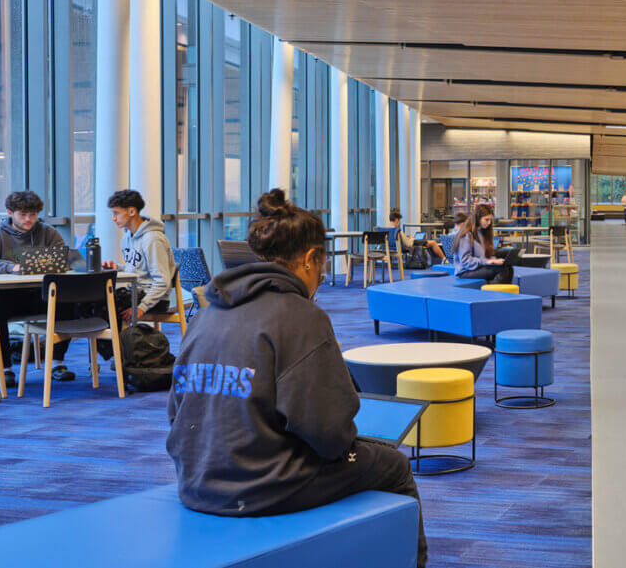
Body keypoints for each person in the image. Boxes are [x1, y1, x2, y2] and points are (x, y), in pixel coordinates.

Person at [167, 189, 427, 567]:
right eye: (320, 269)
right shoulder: (302, 316)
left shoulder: (208, 312)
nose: (319, 278)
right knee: (393, 465)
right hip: (258, 488)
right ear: (309, 259)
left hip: (194, 480)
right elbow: (330, 434)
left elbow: (176, 412)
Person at [0, 190, 75, 386]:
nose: (29, 219)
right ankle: (5, 368)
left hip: (37, 295)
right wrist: (11, 267)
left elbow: (65, 259)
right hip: (6, 296)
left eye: (33, 215)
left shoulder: (48, 232)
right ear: (10, 213)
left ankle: (57, 364)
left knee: (67, 300)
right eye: (23, 214)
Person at [103, 189, 177, 322]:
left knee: (106, 308)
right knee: (97, 302)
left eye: (116, 213)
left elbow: (162, 281)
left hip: (155, 299)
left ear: (132, 211)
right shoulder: (127, 238)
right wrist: (117, 268)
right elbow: (138, 269)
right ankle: (114, 342)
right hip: (135, 293)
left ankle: (116, 342)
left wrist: (142, 307)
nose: (113, 218)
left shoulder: (153, 239)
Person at [452, 204, 513, 285]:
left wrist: (494, 261)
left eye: (490, 220)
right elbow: (465, 261)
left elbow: (487, 254)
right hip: (465, 271)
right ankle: (495, 294)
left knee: (508, 268)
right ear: (478, 218)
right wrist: (487, 261)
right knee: (502, 270)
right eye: (486, 220)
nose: (489, 223)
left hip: (478, 267)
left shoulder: (482, 232)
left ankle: (499, 292)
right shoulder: (467, 235)